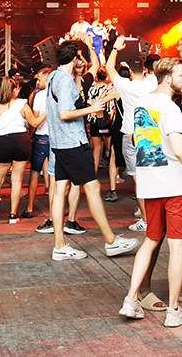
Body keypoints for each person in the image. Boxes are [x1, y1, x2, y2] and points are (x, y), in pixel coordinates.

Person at [118, 58, 182, 329]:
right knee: (176, 245)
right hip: (175, 184)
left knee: (150, 240)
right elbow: (179, 149)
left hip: (149, 183)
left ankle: (131, 299)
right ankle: (173, 309)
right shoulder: (170, 107)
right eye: (181, 75)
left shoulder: (142, 104)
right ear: (167, 78)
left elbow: (137, 140)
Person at [46, 39, 138, 261]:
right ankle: (111, 241)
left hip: (59, 143)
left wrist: (100, 100)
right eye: (80, 56)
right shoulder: (65, 80)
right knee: (93, 187)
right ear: (75, 57)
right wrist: (93, 108)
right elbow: (65, 113)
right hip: (73, 143)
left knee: (60, 190)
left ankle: (59, 245)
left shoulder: (53, 77)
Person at [0, 79, 43, 223]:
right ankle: (13, 215)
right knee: (17, 180)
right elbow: (34, 123)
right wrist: (46, 114)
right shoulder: (22, 105)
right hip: (22, 142)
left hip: (4, 142)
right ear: (14, 90)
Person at [110, 43, 157, 232]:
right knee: (152, 175)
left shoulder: (125, 85)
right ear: (144, 69)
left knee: (138, 179)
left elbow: (108, 68)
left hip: (130, 133)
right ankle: (157, 217)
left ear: (129, 71)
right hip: (149, 133)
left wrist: (115, 49)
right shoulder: (152, 82)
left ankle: (146, 220)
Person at [87, 66, 119, 199]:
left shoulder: (92, 88)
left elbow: (89, 102)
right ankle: (114, 174)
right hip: (106, 121)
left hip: (94, 121)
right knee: (110, 150)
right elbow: (111, 106)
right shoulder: (109, 89)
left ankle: (93, 176)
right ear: (106, 76)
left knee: (96, 149)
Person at [25, 66, 52, 219]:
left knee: (35, 172)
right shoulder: (58, 94)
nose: (37, 82)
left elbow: (34, 120)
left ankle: (29, 207)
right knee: (55, 174)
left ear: (47, 78)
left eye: (40, 79)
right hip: (56, 138)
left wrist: (30, 134)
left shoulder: (40, 96)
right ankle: (55, 208)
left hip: (41, 137)